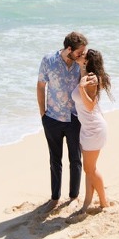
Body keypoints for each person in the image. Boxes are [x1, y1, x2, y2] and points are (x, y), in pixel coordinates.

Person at [37, 31, 88, 212]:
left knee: (75, 159)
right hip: (52, 118)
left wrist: (82, 67)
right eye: (79, 52)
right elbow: (41, 86)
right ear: (69, 49)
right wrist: (43, 113)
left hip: (74, 118)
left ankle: (74, 196)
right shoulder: (48, 60)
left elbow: (85, 87)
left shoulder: (80, 64)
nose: (82, 54)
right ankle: (54, 198)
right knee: (55, 160)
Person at [68, 48, 114, 222]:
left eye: (82, 55)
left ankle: (104, 202)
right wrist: (81, 68)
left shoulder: (91, 79)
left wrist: (81, 87)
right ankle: (87, 203)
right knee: (89, 169)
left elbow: (89, 105)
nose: (79, 55)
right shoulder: (86, 75)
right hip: (88, 128)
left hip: (94, 128)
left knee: (91, 169)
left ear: (87, 61)